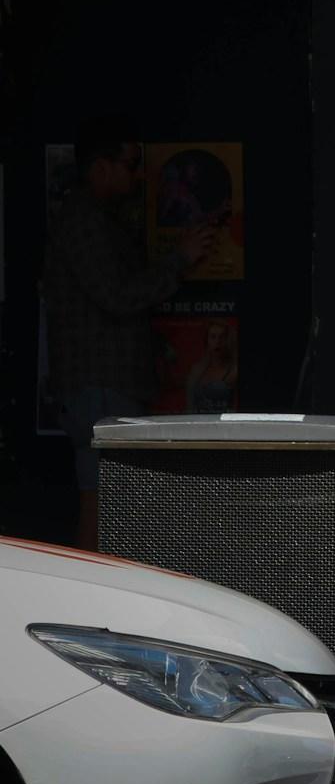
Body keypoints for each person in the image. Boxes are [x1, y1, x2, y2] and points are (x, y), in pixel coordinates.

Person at [42, 119, 213, 550]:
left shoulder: (96, 219)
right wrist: (179, 260)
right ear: (99, 167)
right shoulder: (83, 221)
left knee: (108, 503)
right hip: (101, 386)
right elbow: (116, 295)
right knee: (99, 505)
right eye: (131, 164)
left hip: (108, 385)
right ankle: (86, 605)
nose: (139, 175)